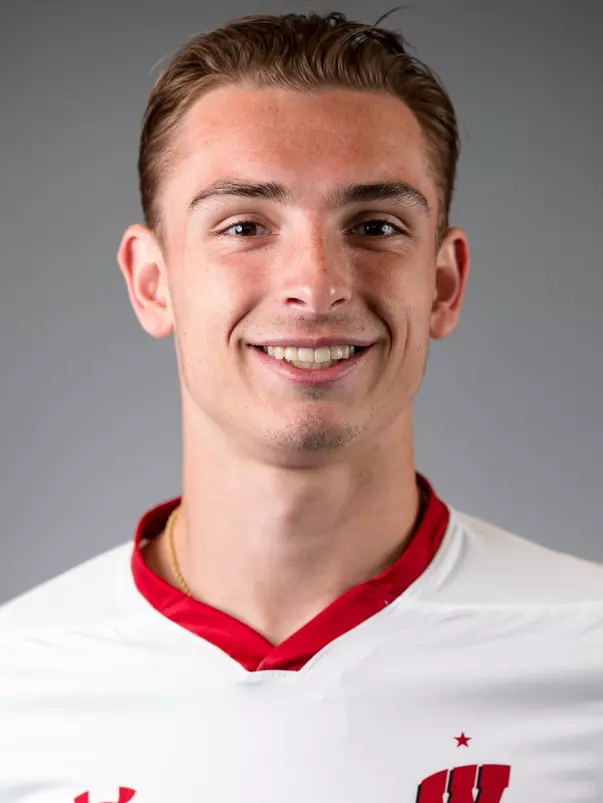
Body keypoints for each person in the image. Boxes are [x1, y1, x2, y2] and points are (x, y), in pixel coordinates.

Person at [1, 10, 602, 803]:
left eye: (375, 226)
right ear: (152, 282)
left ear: (442, 283)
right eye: (244, 225)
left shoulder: (585, 651)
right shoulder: (17, 688)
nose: (316, 284)